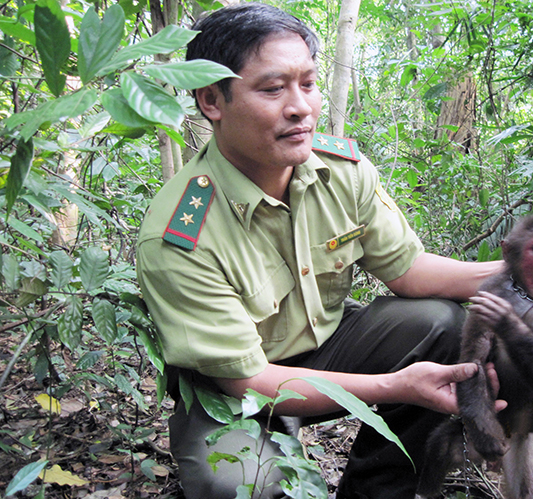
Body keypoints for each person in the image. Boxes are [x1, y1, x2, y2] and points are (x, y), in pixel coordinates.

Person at [136, 3, 504, 498]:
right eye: (272, 88)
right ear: (211, 101)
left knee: (442, 325)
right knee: (238, 481)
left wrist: (515, 272)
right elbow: (245, 381)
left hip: (329, 349)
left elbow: (410, 271)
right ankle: (267, 449)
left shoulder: (342, 170)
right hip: (236, 388)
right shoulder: (181, 232)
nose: (301, 107)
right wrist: (396, 387)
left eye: (307, 84)